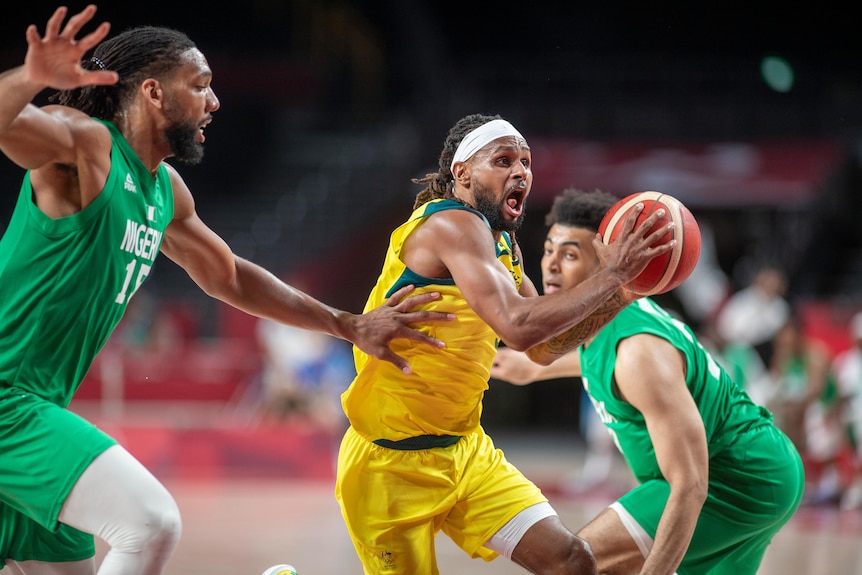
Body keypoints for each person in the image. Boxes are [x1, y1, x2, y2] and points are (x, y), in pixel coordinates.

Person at [0, 6, 453, 574]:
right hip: (7, 404)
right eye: (200, 86)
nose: (214, 103)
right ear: (153, 94)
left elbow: (231, 277)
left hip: (35, 406)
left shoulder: (164, 191)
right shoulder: (85, 147)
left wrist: (348, 324)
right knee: (148, 522)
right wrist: (31, 77)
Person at [334, 114, 674, 575]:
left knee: (572, 562)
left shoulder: (502, 243)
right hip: (389, 465)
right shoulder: (451, 224)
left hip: (465, 452)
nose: (521, 172)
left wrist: (623, 294)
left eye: (526, 162)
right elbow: (516, 326)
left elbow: (541, 347)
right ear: (463, 173)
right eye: (504, 160)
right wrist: (612, 275)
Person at [492, 189, 804, 575]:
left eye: (570, 254)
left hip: (737, 479)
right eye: (549, 249)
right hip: (761, 471)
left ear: (606, 266)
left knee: (572, 564)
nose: (551, 265)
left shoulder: (640, 353)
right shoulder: (607, 321)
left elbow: (690, 485)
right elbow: (599, 359)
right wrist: (537, 368)